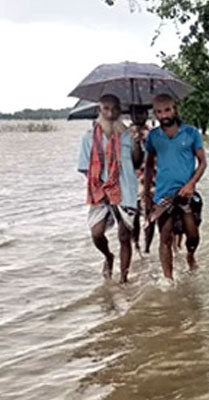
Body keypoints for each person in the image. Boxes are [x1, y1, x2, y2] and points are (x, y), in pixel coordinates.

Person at [77, 94, 143, 283]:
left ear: (120, 111)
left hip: (126, 190)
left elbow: (137, 163)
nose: (111, 113)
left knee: (124, 236)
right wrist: (101, 189)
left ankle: (123, 278)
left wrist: (138, 142)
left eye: (114, 108)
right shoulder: (89, 137)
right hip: (100, 192)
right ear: (99, 110)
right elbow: (84, 168)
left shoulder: (128, 134)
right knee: (96, 233)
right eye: (106, 108)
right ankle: (108, 256)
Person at [144, 94, 207, 281]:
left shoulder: (191, 133)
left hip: (186, 192)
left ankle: (190, 255)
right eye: (159, 112)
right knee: (165, 238)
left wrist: (191, 184)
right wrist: (147, 193)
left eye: (167, 110)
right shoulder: (153, 137)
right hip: (163, 194)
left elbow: (203, 162)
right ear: (155, 114)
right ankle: (169, 279)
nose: (164, 115)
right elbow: (148, 166)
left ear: (175, 109)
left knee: (193, 235)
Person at [128, 105, 155, 254]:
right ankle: (136, 244)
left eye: (142, 112)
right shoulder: (125, 134)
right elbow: (134, 162)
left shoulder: (153, 132)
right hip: (132, 180)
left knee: (150, 215)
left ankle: (147, 248)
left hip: (152, 178)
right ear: (131, 115)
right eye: (136, 113)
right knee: (134, 216)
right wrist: (136, 143)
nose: (139, 116)